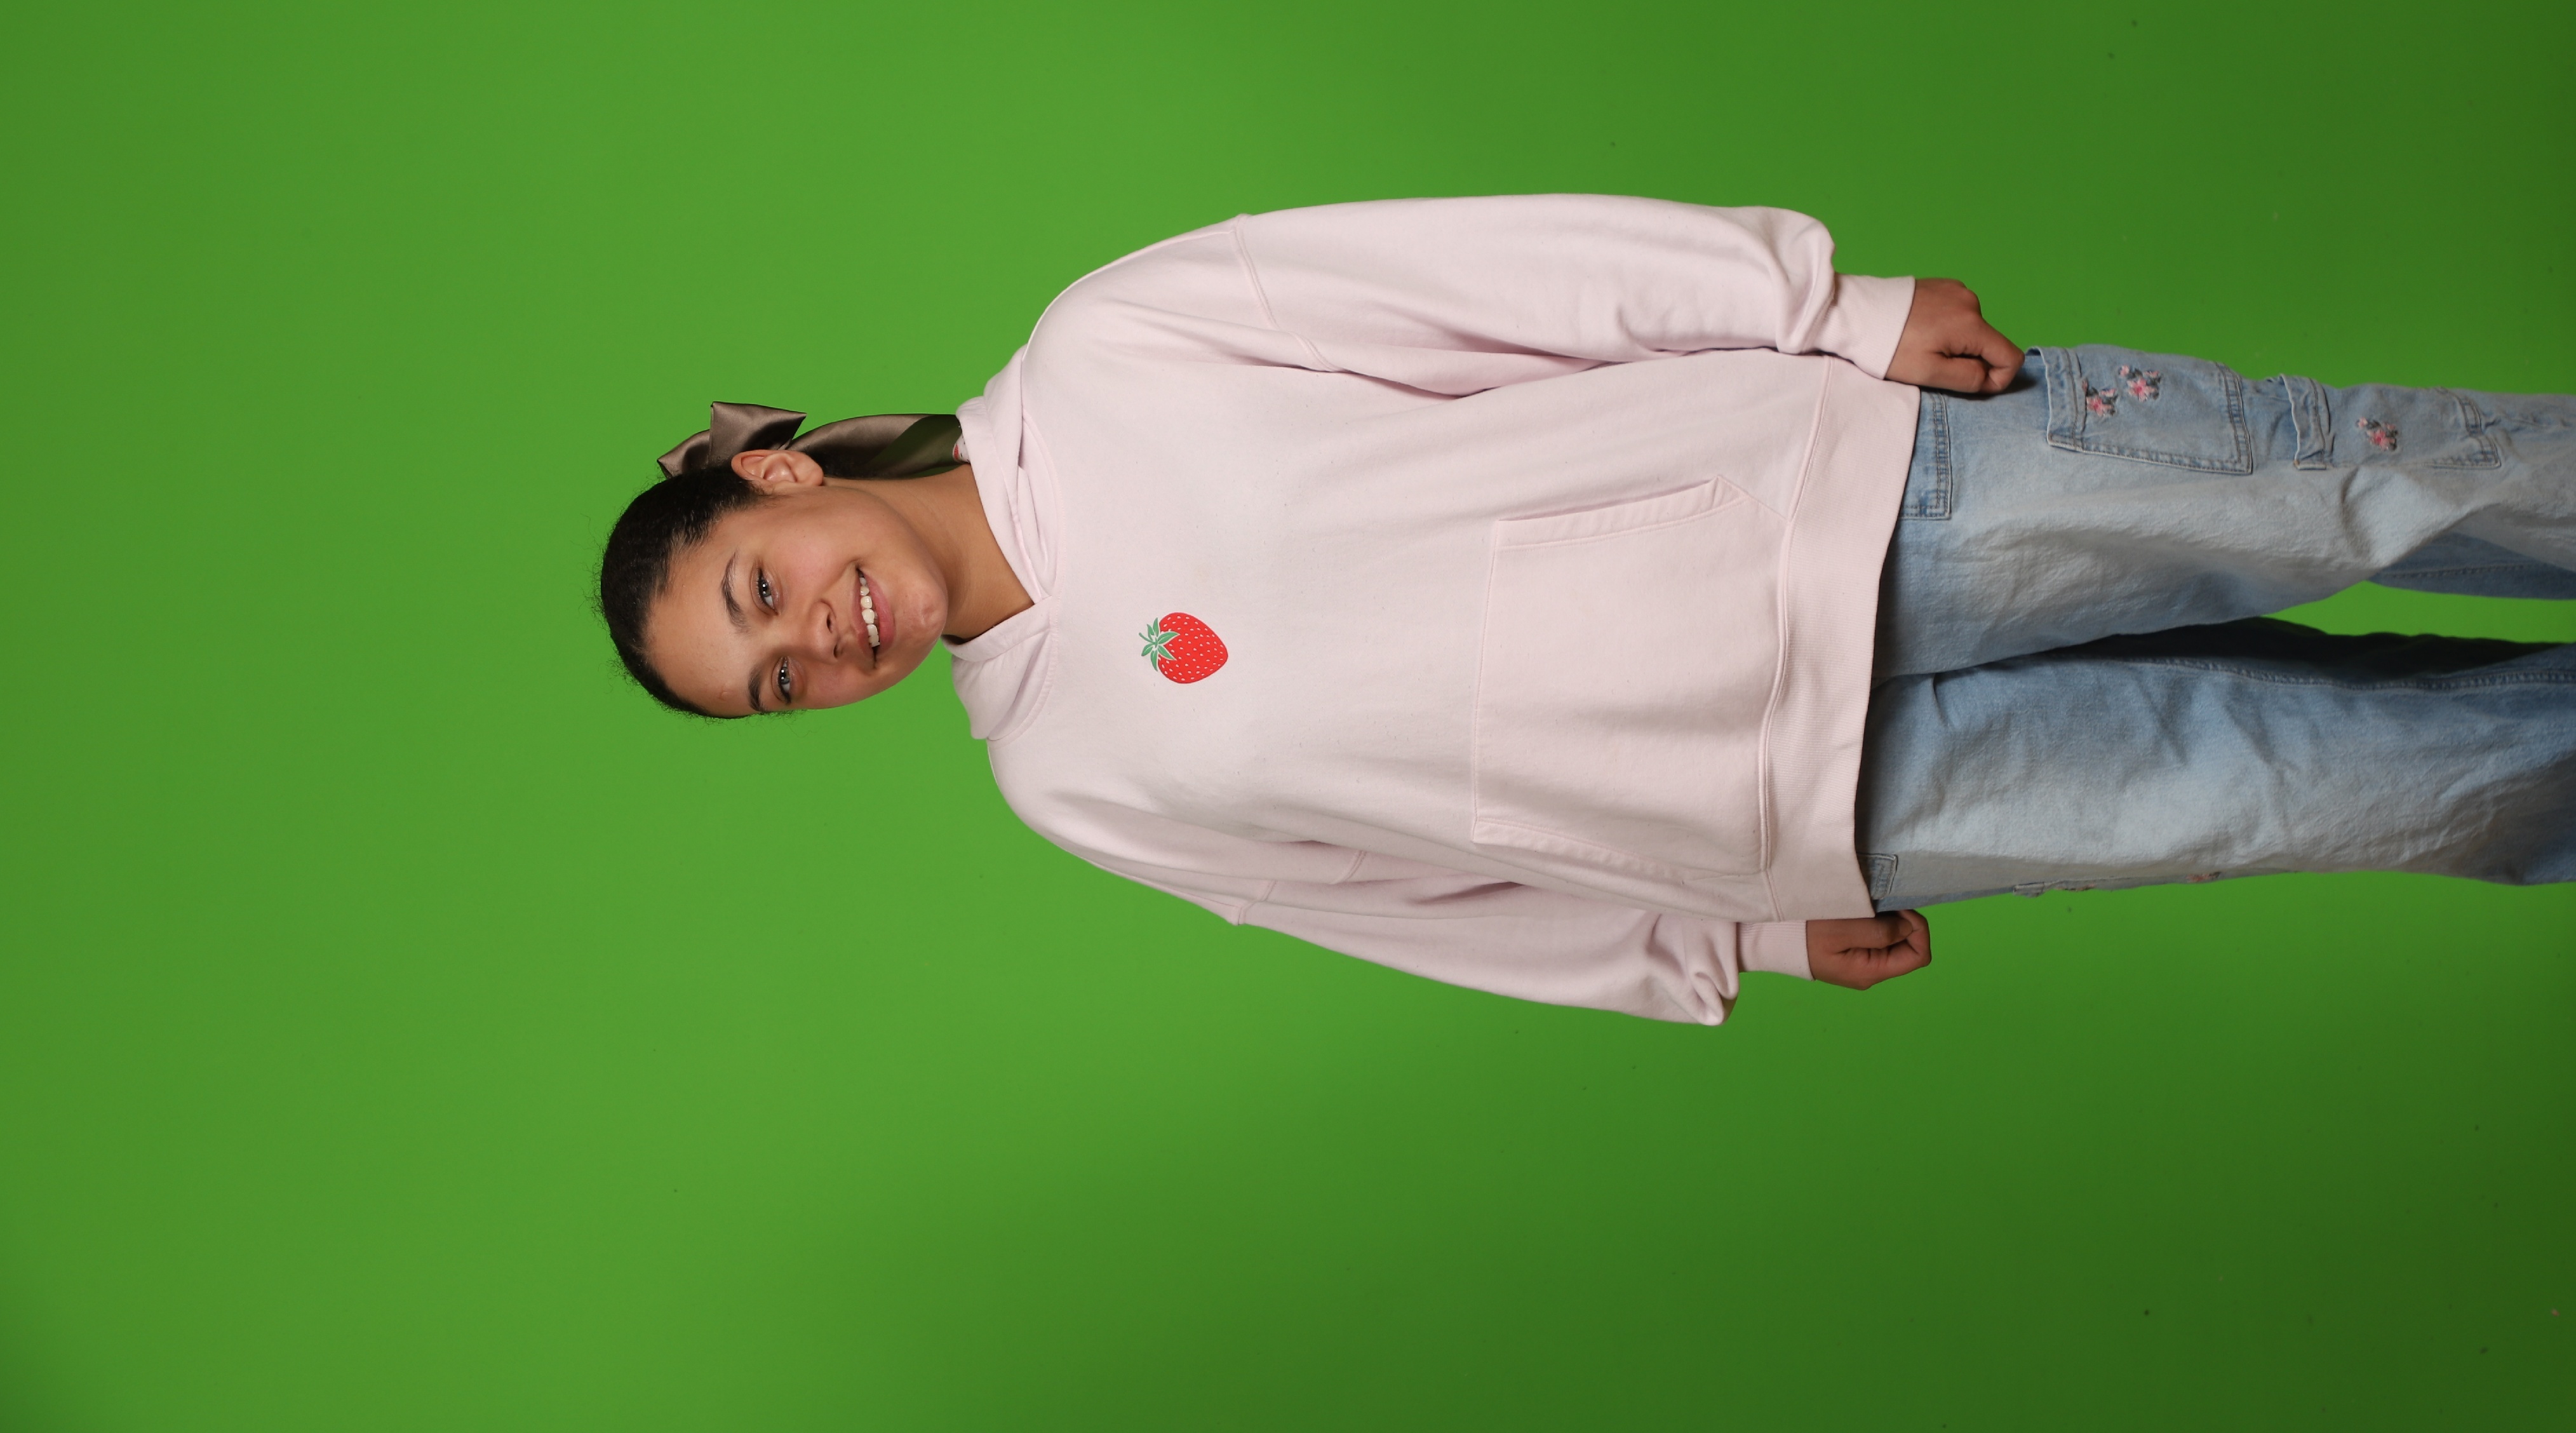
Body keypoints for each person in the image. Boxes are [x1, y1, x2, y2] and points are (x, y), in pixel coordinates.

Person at [597, 196, 2576, 1025]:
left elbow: (1489, 279)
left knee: (2375, 489)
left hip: (1867, 497)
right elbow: (1404, 905)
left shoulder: (1107, 351)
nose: (813, 645)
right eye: (772, 686)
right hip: (1837, 808)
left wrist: (1823, 302)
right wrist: (1723, 943)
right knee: (2375, 788)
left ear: (782, 479)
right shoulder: (1066, 778)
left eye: (762, 594)